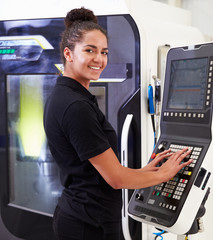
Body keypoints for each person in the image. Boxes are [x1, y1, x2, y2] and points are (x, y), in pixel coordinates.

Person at [43, 7, 192, 240]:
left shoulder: (70, 96)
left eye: (104, 52)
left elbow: (95, 172)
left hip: (83, 215)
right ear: (69, 54)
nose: (99, 59)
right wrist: (164, 174)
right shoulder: (75, 107)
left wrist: (145, 172)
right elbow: (116, 179)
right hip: (88, 224)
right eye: (89, 50)